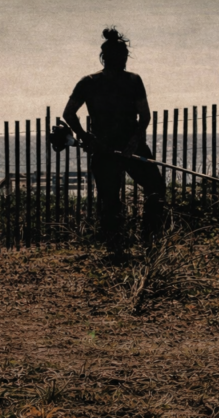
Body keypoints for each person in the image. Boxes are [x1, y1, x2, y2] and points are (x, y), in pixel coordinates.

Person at [63, 28, 165, 253]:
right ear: (111, 57)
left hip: (126, 146)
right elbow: (68, 113)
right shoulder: (92, 82)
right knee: (112, 199)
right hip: (106, 147)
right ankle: (119, 245)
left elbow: (145, 116)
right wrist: (87, 137)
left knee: (153, 189)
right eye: (121, 56)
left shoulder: (129, 80)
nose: (123, 60)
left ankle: (146, 240)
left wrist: (131, 143)